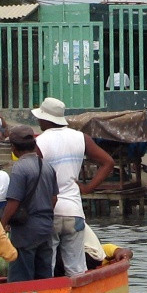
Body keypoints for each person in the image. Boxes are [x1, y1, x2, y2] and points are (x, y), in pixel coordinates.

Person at [33, 96, 115, 278]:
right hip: (74, 211)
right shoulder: (81, 138)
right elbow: (108, 163)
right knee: (77, 267)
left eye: (39, 118)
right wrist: (87, 188)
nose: (38, 121)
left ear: (46, 119)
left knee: (48, 265)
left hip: (50, 211)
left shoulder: (39, 142)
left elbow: (34, 177)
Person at [0, 125, 58, 282]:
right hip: (46, 228)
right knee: (44, 277)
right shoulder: (47, 167)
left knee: (21, 278)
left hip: (26, 232)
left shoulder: (19, 168)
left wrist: (2, 224)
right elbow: (54, 199)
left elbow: (13, 202)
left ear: (14, 148)